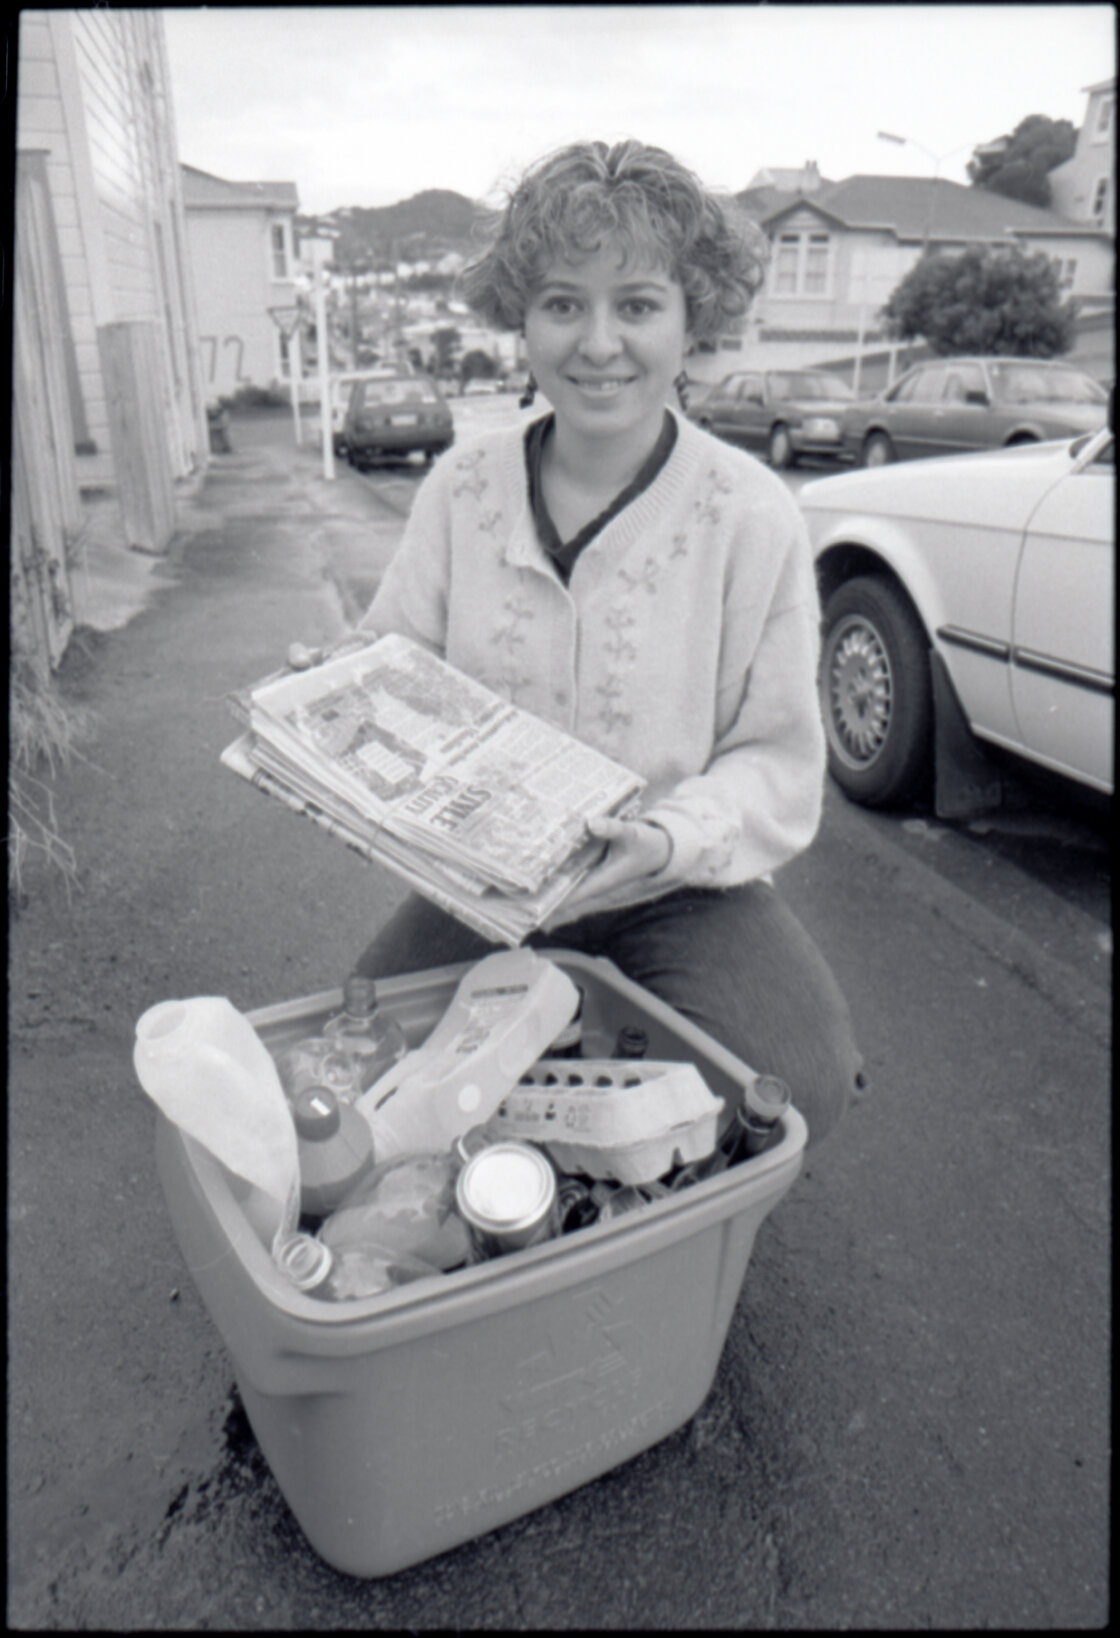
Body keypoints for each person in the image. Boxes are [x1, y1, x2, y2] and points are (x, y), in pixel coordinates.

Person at [352, 138, 863, 1145]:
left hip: (680, 886)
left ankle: (636, 1200)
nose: (596, 342)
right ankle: (503, 1190)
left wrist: (669, 837)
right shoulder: (461, 486)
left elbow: (775, 757)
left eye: (635, 304)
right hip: (487, 889)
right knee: (360, 1045)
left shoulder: (749, 513)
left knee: (802, 1075)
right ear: (521, 317)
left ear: (691, 319)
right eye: (560, 303)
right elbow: (394, 664)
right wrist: (332, 692)